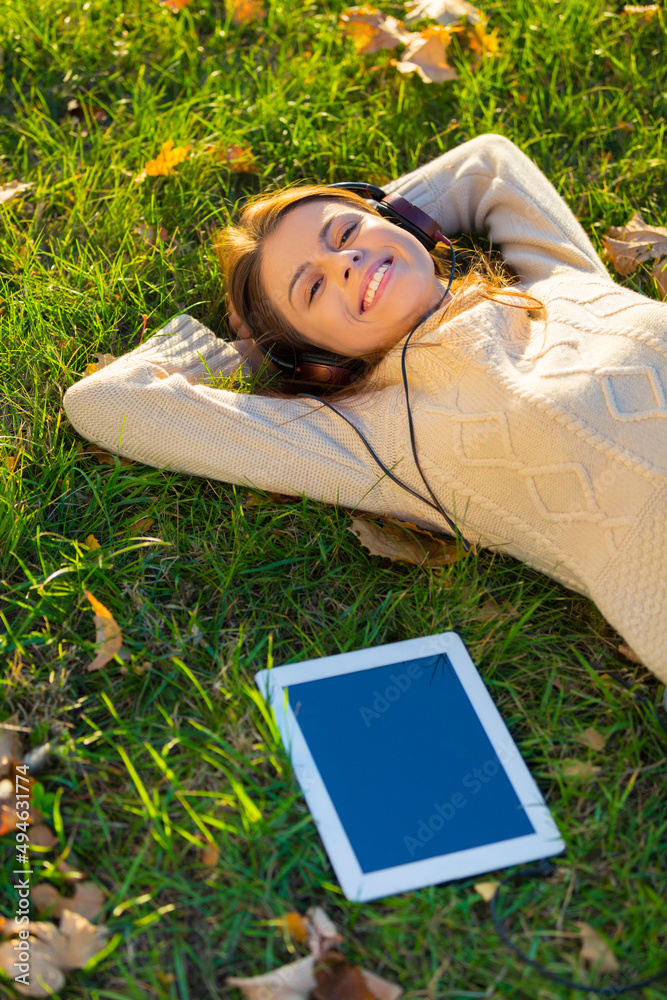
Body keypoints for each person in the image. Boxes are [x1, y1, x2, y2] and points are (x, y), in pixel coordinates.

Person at [62, 134, 667, 682]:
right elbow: (109, 402)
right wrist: (252, 352)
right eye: (314, 288)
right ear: (316, 359)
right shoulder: (373, 437)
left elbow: (487, 164)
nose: (344, 262)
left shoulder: (555, 279)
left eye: (346, 234)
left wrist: (392, 218)